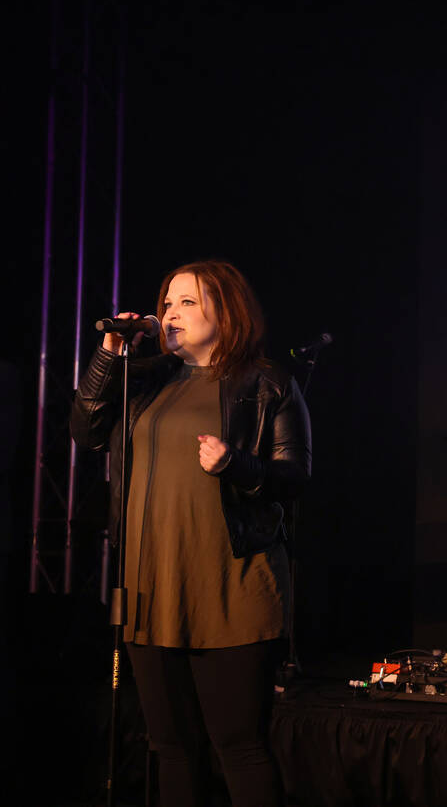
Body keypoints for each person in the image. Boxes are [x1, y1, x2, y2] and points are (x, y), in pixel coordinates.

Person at [70, 260, 310, 807]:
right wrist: (110, 356)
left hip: (232, 588)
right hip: (152, 586)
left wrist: (237, 465)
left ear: (226, 313)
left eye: (187, 303)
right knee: (170, 747)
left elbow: (294, 478)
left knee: (239, 746)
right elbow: (85, 431)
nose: (169, 315)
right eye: (167, 303)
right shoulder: (144, 377)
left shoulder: (266, 382)